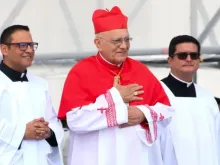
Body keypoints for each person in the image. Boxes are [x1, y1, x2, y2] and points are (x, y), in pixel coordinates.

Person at [58, 6, 176, 165]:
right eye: (117, 41)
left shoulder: (140, 70)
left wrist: (142, 113)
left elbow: (166, 111)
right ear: (98, 43)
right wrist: (115, 97)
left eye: (127, 39)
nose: (124, 46)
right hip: (97, 158)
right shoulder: (81, 72)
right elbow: (75, 121)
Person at [0, 25, 64, 165]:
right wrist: (22, 132)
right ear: (4, 49)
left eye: (31, 45)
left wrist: (48, 131)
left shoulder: (40, 84)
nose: (29, 50)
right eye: (22, 45)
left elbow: (53, 121)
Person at [160, 35, 220, 165]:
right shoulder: (157, 93)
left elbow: (217, 137)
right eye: (182, 55)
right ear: (170, 60)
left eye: (193, 55)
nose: (188, 59)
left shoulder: (206, 96)